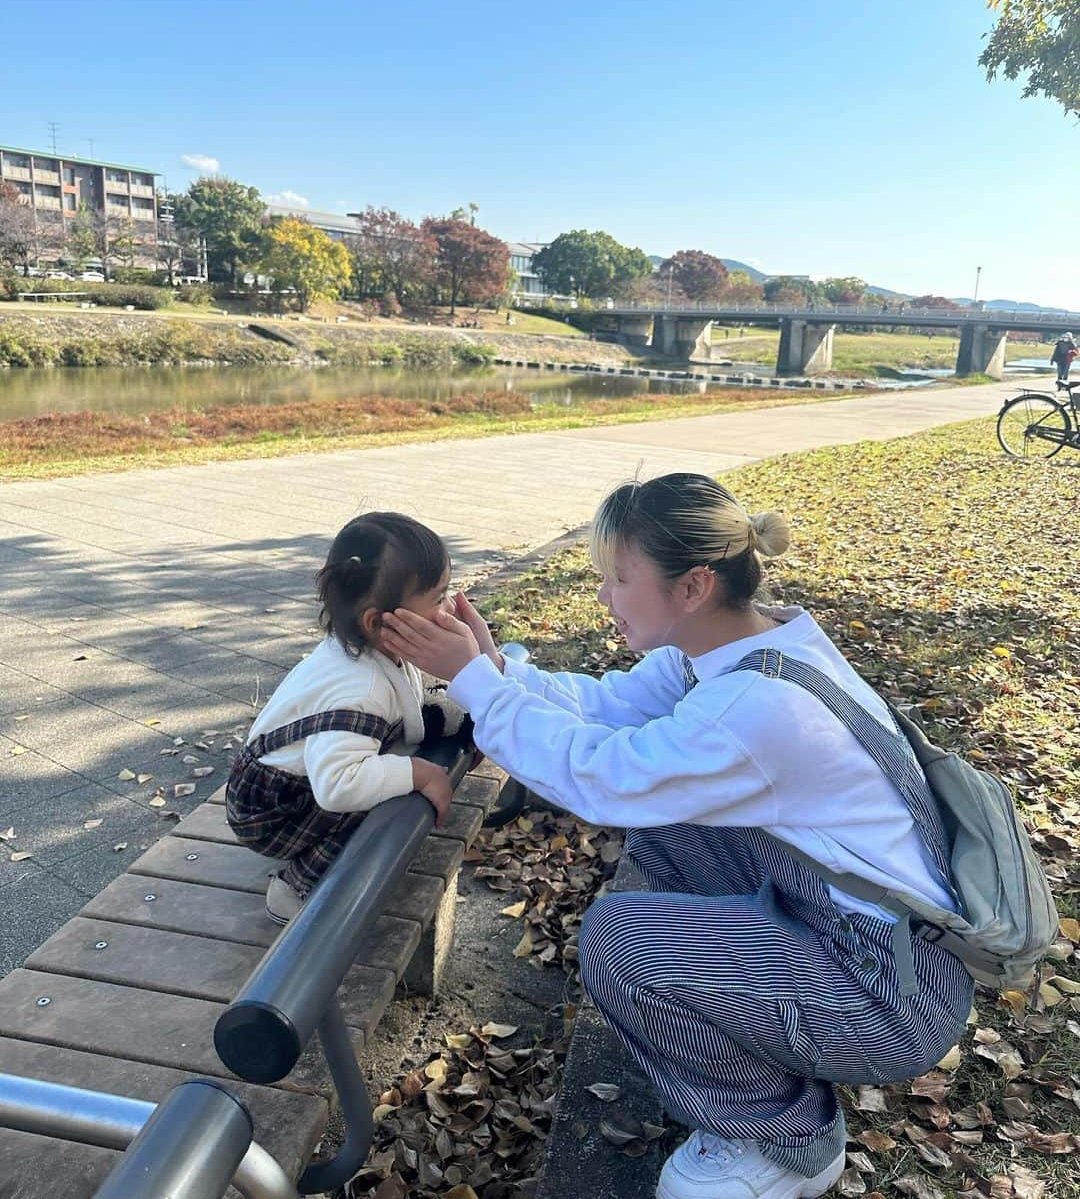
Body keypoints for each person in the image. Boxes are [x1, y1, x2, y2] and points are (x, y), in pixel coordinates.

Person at [381, 474, 974, 1199]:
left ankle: (785, 1138)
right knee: (667, 831)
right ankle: (760, 1040)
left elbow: (601, 779)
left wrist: (475, 685)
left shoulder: (757, 707)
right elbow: (609, 707)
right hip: (865, 934)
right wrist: (497, 672)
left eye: (617, 579)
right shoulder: (741, 646)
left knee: (621, 942)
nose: (604, 597)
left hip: (889, 992)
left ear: (692, 587)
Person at [226, 512, 466, 925]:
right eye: (439, 599)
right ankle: (296, 888)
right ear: (378, 621)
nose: (449, 610)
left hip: (300, 779)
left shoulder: (371, 649)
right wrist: (421, 774)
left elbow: (403, 696)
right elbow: (339, 786)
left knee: (386, 774)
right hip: (272, 807)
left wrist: (445, 711)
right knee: (379, 797)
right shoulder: (360, 689)